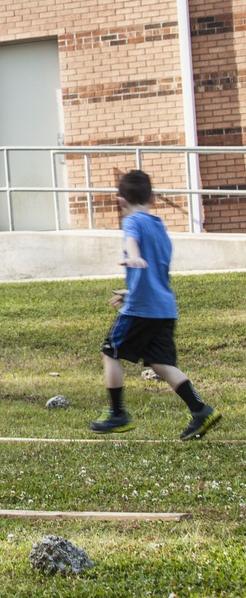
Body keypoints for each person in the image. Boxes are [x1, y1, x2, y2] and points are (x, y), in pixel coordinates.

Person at [89, 169, 220, 440]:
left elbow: (131, 241)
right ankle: (200, 409)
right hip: (164, 307)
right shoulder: (160, 227)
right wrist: (131, 289)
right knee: (160, 362)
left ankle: (118, 414)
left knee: (110, 351)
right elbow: (157, 271)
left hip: (142, 308)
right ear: (153, 198)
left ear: (120, 201)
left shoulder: (131, 221)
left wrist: (133, 257)